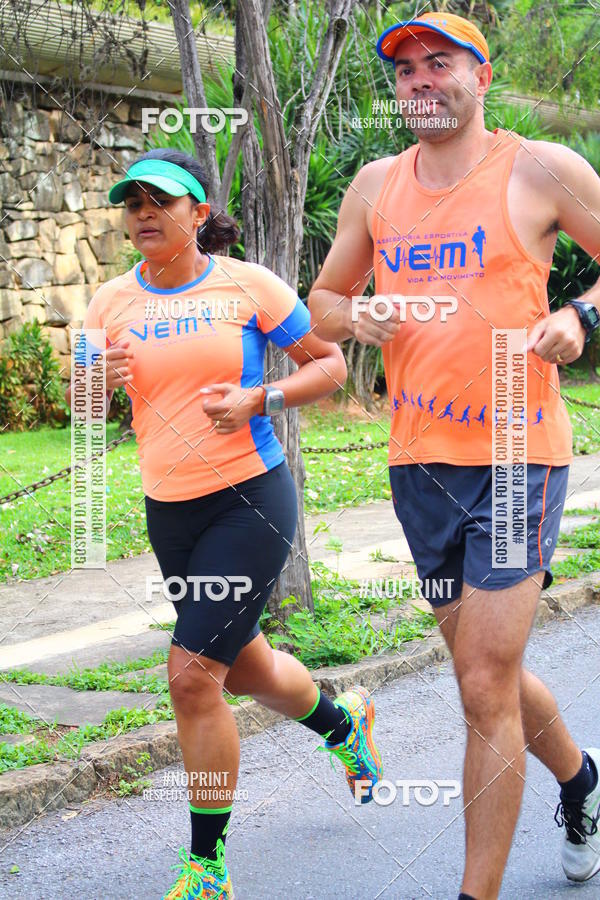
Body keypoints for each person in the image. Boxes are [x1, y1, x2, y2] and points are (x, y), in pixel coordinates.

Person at [308, 11, 600, 899]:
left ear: (480, 73)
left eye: (440, 64)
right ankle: (582, 781)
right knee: (488, 673)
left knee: (481, 683)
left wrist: (579, 317)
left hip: (518, 452)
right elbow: (319, 300)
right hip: (419, 463)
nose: (420, 83)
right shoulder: (374, 186)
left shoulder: (542, 169)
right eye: (405, 73)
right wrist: (358, 317)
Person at [65, 148, 382, 900]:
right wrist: (86, 382)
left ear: (199, 213)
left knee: (190, 678)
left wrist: (259, 399)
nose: (144, 213)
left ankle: (207, 866)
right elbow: (82, 413)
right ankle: (344, 724)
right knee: (241, 666)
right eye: (133, 202)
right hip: (168, 513)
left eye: (161, 201)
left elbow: (329, 365)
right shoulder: (110, 302)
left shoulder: (248, 285)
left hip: (249, 499)